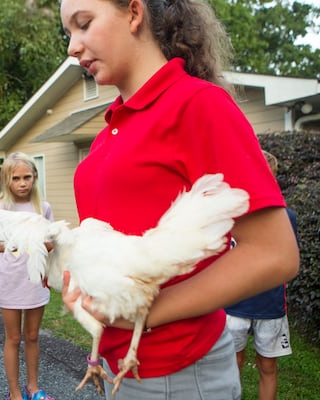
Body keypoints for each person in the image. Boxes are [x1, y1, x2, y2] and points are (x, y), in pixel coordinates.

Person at [59, 1, 300, 399]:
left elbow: (274, 253)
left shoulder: (196, 104)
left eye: (83, 25)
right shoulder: (108, 133)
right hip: (119, 367)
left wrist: (144, 312)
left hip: (179, 373)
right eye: (68, 33)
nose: (72, 46)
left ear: (134, 13)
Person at [225, 150, 299, 400]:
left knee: (268, 365)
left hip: (270, 306)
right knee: (232, 362)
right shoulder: (229, 216)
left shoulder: (285, 217)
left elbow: (289, 262)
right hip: (233, 305)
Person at [0, 152, 55, 400]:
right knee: (13, 338)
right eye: (16, 178)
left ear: (35, 178)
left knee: (33, 335)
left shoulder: (42, 208)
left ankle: (33, 388)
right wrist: (6, 267)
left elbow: (50, 243)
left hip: (35, 280)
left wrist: (42, 245)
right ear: (7, 180)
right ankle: (15, 393)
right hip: (10, 282)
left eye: (27, 177)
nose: (23, 183)